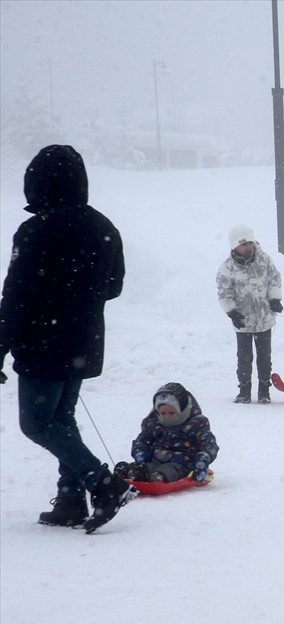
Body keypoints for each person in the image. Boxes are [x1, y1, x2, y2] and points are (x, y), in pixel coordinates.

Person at [0, 144, 135, 533]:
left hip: (43, 341)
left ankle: (103, 484)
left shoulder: (35, 230)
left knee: (37, 423)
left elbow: (17, 294)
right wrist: (80, 300)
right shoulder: (104, 227)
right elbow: (114, 287)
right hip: (83, 339)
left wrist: (2, 343)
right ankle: (71, 500)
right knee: (62, 417)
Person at [216, 224, 284, 404]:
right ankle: (244, 391)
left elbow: (274, 281)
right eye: (243, 244)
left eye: (250, 243)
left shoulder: (264, 261)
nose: (248, 247)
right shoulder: (227, 269)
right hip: (243, 321)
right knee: (244, 358)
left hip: (264, 318)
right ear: (234, 247)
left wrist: (275, 299)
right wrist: (232, 312)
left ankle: (264, 391)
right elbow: (224, 293)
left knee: (264, 357)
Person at [114, 382, 219, 484]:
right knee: (146, 467)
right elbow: (142, 440)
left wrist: (203, 459)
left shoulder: (196, 424)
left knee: (168, 470)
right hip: (156, 459)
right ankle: (132, 473)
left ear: (182, 410)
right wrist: (140, 453)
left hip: (182, 462)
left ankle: (158, 477)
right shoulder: (154, 423)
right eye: (163, 413)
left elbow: (209, 444)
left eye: (171, 413)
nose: (167, 417)